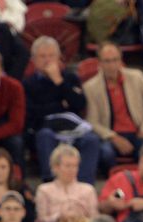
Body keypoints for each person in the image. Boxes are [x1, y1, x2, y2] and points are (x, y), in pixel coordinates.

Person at [84, 41, 143, 176]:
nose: (112, 65)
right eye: (107, 61)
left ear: (121, 60)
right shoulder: (91, 87)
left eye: (115, 60)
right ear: (99, 63)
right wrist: (113, 137)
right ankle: (115, 183)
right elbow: (92, 121)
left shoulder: (135, 77)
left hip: (137, 132)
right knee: (105, 153)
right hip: (110, 134)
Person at [23, 36, 100, 185]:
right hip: (44, 130)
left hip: (72, 130)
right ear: (34, 60)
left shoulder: (70, 78)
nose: (47, 60)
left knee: (91, 139)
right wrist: (61, 105)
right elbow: (31, 114)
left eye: (51, 56)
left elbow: (79, 105)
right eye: (42, 56)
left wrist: (59, 82)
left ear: (59, 58)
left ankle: (84, 186)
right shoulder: (27, 84)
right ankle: (51, 184)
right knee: (45, 136)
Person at [34, 144, 99, 222]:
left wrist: (82, 220)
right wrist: (59, 217)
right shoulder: (44, 190)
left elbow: (95, 220)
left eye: (75, 166)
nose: (72, 170)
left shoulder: (88, 190)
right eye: (68, 166)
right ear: (55, 167)